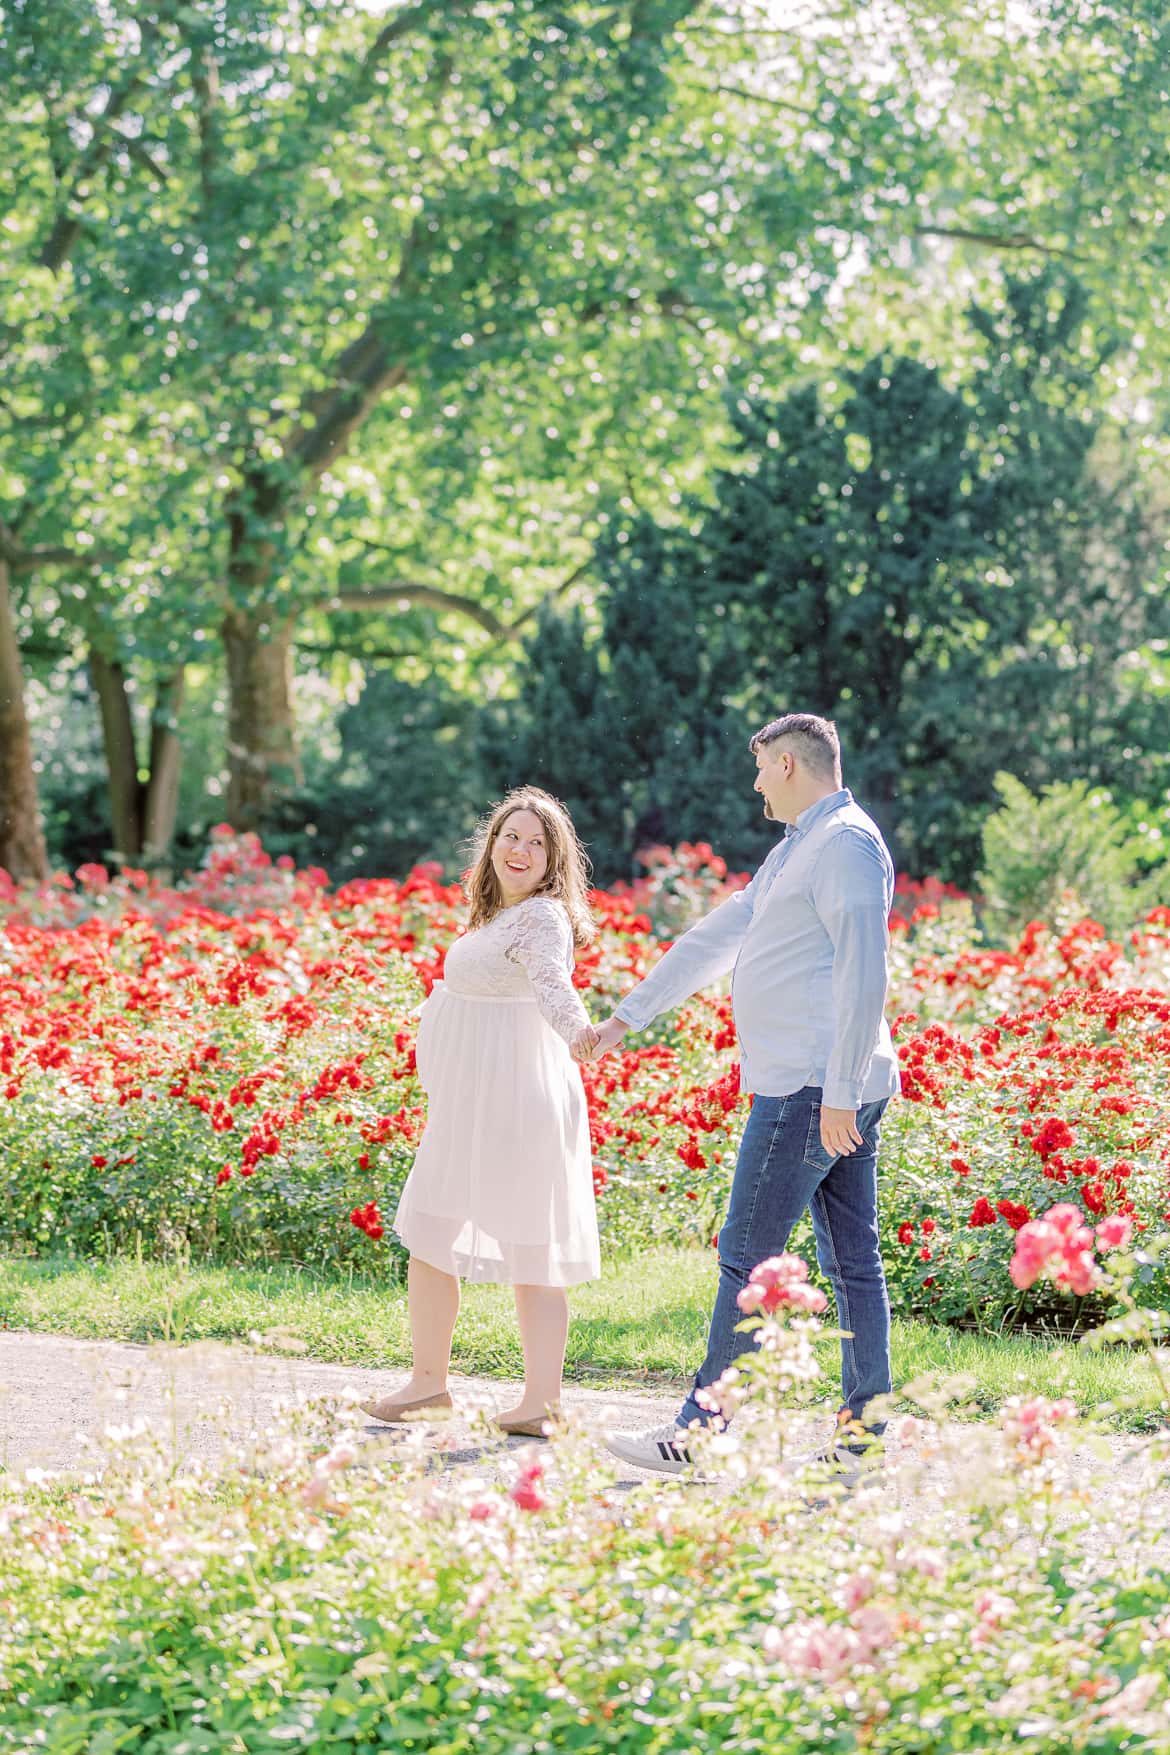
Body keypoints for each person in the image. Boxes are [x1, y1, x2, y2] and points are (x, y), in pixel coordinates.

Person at [579, 714, 901, 1474]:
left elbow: (866, 971)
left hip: (812, 1085)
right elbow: (713, 939)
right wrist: (626, 1018)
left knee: (748, 1255)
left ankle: (700, 1432)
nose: (754, 783)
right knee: (852, 1258)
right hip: (820, 1082)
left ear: (788, 763)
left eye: (760, 768)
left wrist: (841, 1092)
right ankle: (862, 1440)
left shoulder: (845, 844)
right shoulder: (800, 848)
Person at [361, 787, 600, 1438]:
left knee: (531, 1247)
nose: (519, 849)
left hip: (515, 1100)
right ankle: (428, 1384)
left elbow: (554, 985)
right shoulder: (498, 916)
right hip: (472, 1103)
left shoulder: (542, 918)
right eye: (509, 836)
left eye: (536, 841)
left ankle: (541, 1401)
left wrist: (582, 1032)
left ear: (555, 859)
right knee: (432, 1233)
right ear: (491, 845)